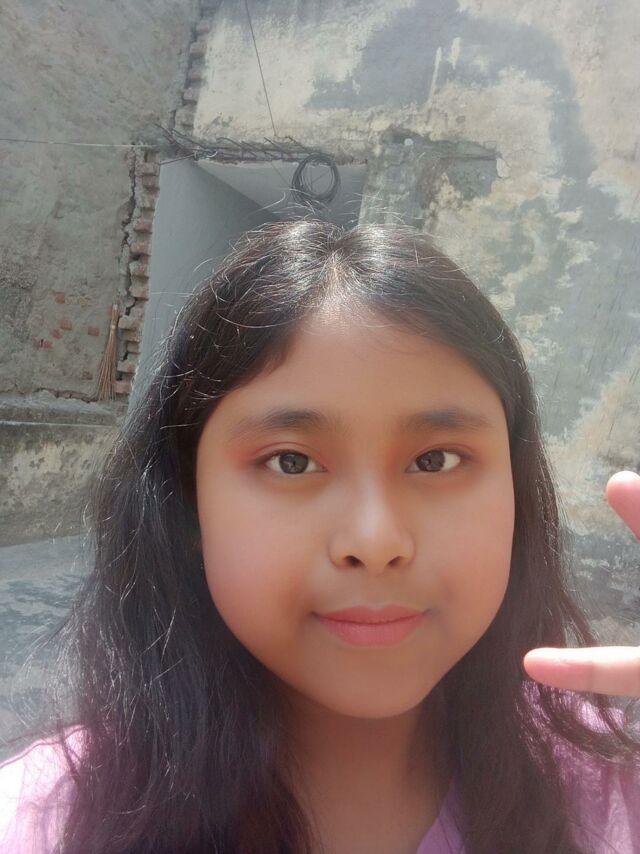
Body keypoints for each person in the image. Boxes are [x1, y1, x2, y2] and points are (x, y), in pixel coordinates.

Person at [1, 220, 639, 854]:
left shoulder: (613, 788)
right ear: (189, 505)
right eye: (291, 461)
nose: (376, 541)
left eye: (435, 460)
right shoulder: (44, 823)